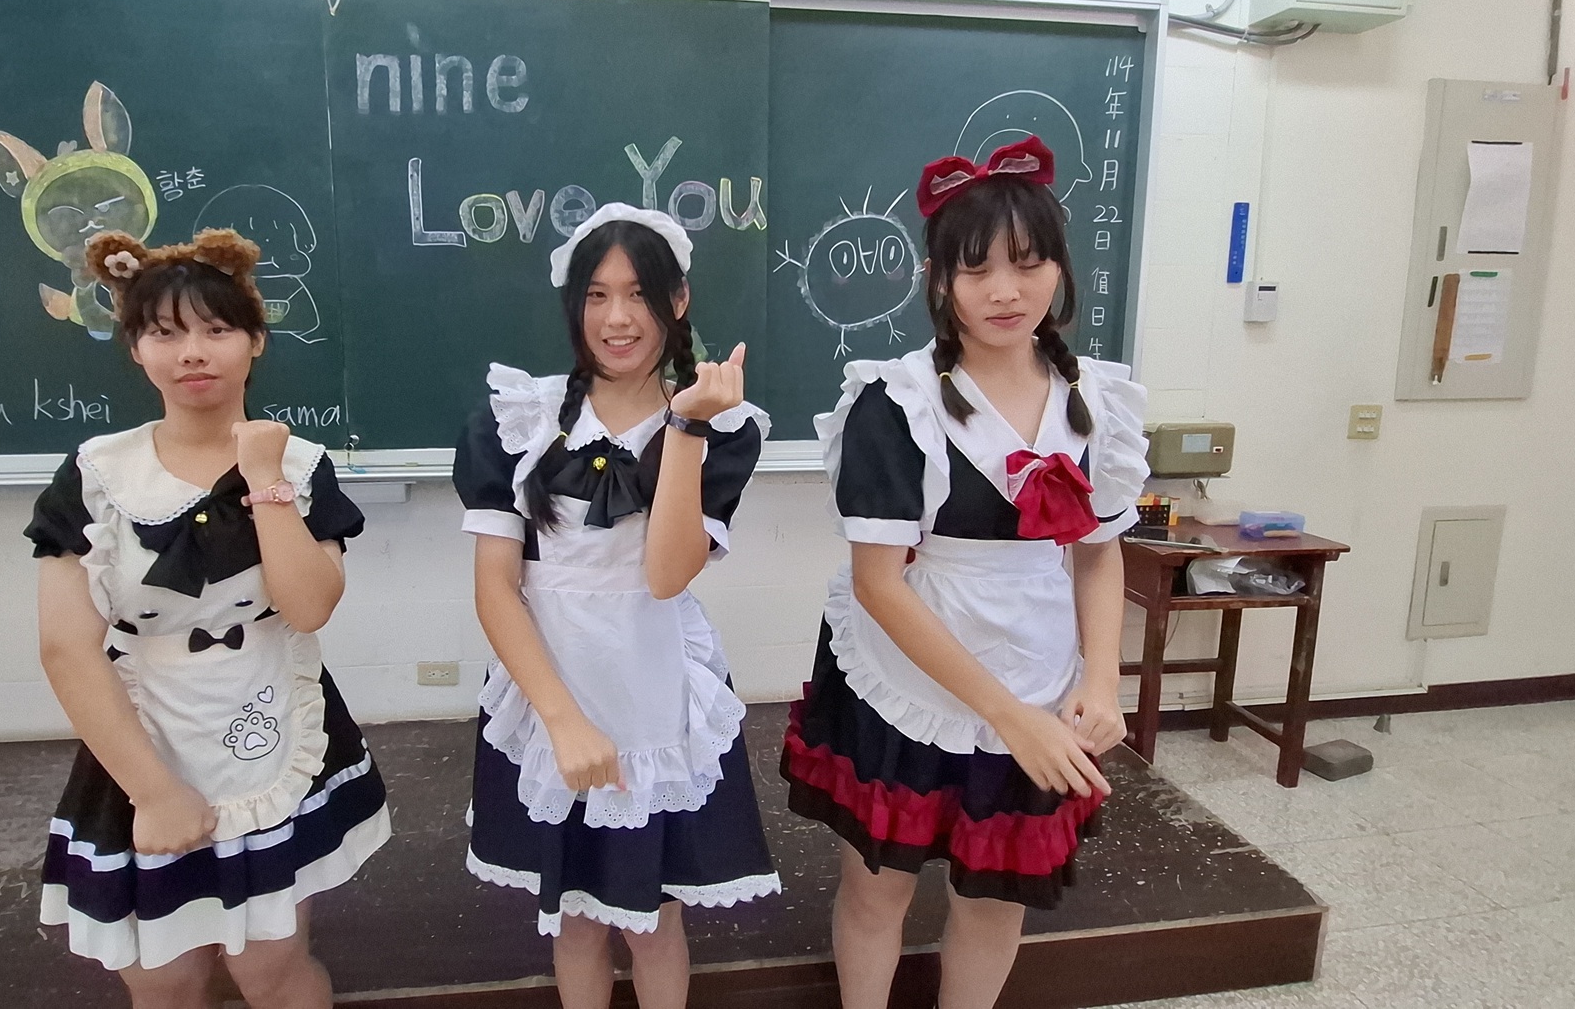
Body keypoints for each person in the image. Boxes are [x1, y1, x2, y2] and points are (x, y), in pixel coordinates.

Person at [780, 137, 1149, 1009]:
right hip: (910, 671)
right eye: (976, 269)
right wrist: (1008, 718)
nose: (1005, 291)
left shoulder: (1097, 399)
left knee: (994, 897)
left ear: (1059, 268)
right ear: (938, 279)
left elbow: (1097, 548)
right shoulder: (896, 402)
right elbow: (879, 584)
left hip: (1040, 666)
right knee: (879, 889)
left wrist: (1101, 678)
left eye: (1028, 263)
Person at [26, 227, 389, 1008]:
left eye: (216, 329)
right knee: (166, 978)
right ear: (136, 349)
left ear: (255, 340)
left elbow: (309, 606)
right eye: (165, 333)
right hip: (143, 744)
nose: (192, 352)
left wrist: (263, 479)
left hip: (270, 729)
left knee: (271, 969)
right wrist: (155, 793)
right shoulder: (96, 474)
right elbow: (66, 649)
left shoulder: (300, 466)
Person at [451, 204, 781, 1009]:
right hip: (547, 692)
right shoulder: (517, 419)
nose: (617, 318)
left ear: (679, 301)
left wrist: (687, 427)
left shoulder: (723, 429)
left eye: (638, 294)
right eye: (597, 296)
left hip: (654, 693)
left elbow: (667, 576)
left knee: (655, 923)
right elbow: (495, 588)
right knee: (573, 923)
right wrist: (562, 720)